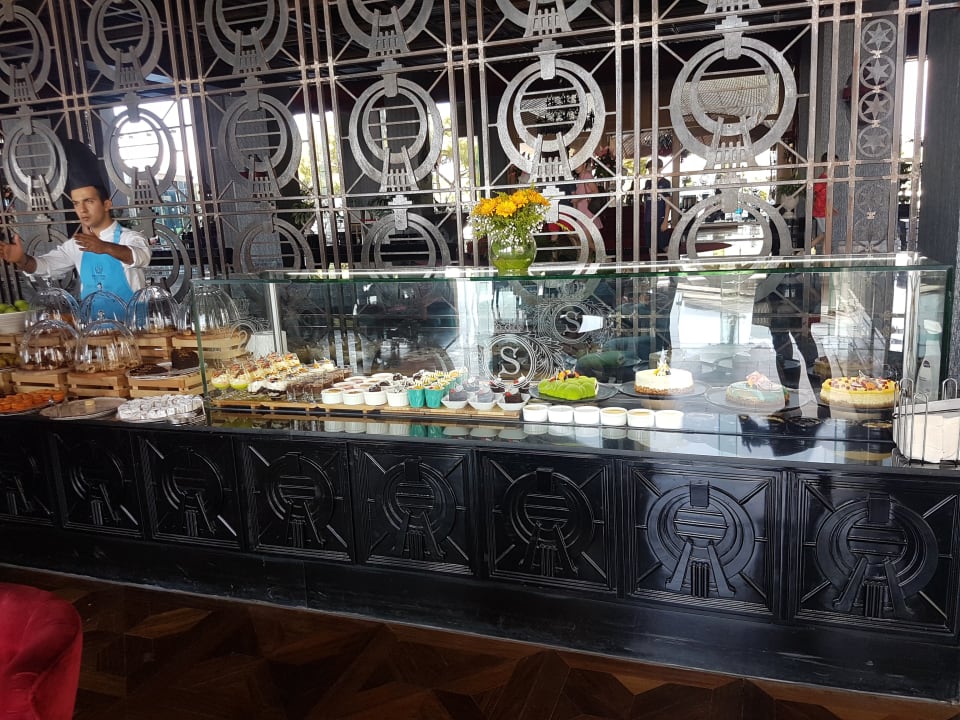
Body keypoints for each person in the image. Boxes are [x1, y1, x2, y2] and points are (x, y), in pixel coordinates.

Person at [0, 183, 151, 302]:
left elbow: (141, 257)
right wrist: (22, 260)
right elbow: (46, 266)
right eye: (76, 203)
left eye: (89, 201)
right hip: (93, 327)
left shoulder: (130, 238)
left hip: (133, 326)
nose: (82, 210)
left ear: (106, 205)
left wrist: (105, 247)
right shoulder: (75, 245)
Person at [812, 153, 840, 251]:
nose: (837, 164)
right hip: (821, 211)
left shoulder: (826, 178)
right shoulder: (823, 179)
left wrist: (831, 208)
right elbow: (815, 193)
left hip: (823, 210)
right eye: (835, 162)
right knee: (827, 234)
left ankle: (804, 251)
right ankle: (825, 255)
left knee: (825, 234)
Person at [643, 159, 671, 256]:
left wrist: (665, 221)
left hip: (660, 218)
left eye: (652, 170)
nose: (650, 172)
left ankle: (672, 260)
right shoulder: (648, 183)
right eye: (649, 170)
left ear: (660, 169)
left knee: (664, 244)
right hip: (648, 218)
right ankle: (652, 261)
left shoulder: (665, 183)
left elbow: (668, 203)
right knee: (650, 245)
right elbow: (646, 201)